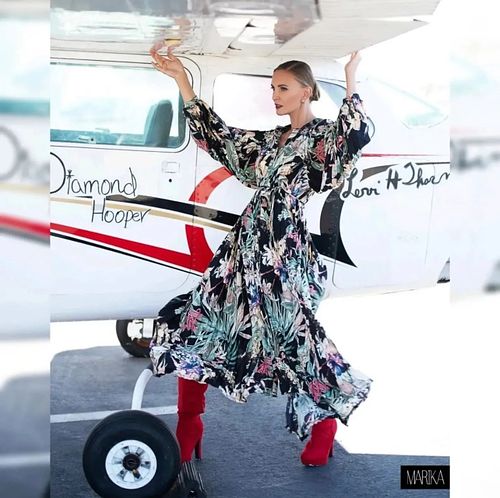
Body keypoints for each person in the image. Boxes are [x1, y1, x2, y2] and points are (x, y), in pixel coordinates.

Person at [149, 42, 373, 467]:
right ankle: (189, 423)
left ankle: (324, 423)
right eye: (273, 88)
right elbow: (220, 137)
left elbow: (356, 134)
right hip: (244, 248)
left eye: (283, 88)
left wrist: (350, 77)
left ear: (306, 91)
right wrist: (182, 79)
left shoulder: (322, 138)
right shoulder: (271, 141)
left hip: (284, 252)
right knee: (198, 322)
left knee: (296, 337)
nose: (274, 96)